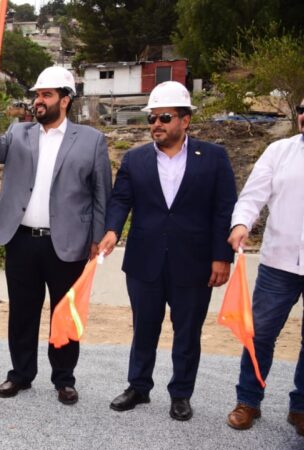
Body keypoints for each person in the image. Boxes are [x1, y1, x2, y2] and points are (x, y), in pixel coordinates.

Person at [99, 81, 237, 421]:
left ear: (185, 121)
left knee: (187, 331)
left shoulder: (214, 158)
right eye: (151, 119)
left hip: (194, 263)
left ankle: (181, 394)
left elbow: (225, 209)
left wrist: (222, 256)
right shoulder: (135, 159)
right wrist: (113, 230)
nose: (156, 125)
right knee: (144, 326)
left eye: (164, 117)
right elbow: (121, 200)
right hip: (145, 261)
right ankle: (139, 387)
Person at [0, 66, 112, 404]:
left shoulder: (91, 140)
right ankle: (20, 374)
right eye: (37, 95)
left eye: (47, 95)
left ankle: (64, 379)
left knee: (65, 313)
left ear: (65, 100)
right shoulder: (19, 133)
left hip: (68, 243)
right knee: (22, 311)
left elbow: (101, 194)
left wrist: (97, 238)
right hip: (21, 240)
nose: (39, 101)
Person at [224, 97, 304, 435]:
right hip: (278, 263)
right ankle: (248, 401)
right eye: (301, 109)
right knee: (259, 336)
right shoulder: (279, 151)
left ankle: (300, 408)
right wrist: (241, 224)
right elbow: (253, 195)